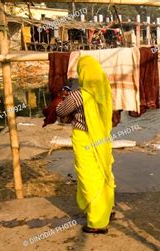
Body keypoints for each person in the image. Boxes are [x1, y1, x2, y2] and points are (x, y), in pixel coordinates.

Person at [56, 56, 115, 234]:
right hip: (102, 139)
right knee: (103, 173)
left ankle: (97, 222)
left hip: (84, 139)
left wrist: (62, 98)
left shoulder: (79, 95)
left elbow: (61, 111)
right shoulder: (104, 91)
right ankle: (108, 209)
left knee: (89, 178)